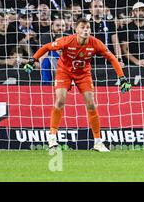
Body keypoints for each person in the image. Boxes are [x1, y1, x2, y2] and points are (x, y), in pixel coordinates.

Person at [23, 17, 132, 152]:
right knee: (60, 100)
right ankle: (52, 137)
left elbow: (112, 58)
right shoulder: (67, 41)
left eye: (88, 28)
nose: (86, 30)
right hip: (64, 72)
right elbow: (46, 47)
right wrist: (32, 60)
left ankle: (98, 142)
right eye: (82, 27)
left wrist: (122, 78)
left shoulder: (95, 43)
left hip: (83, 74)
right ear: (76, 29)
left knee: (91, 103)